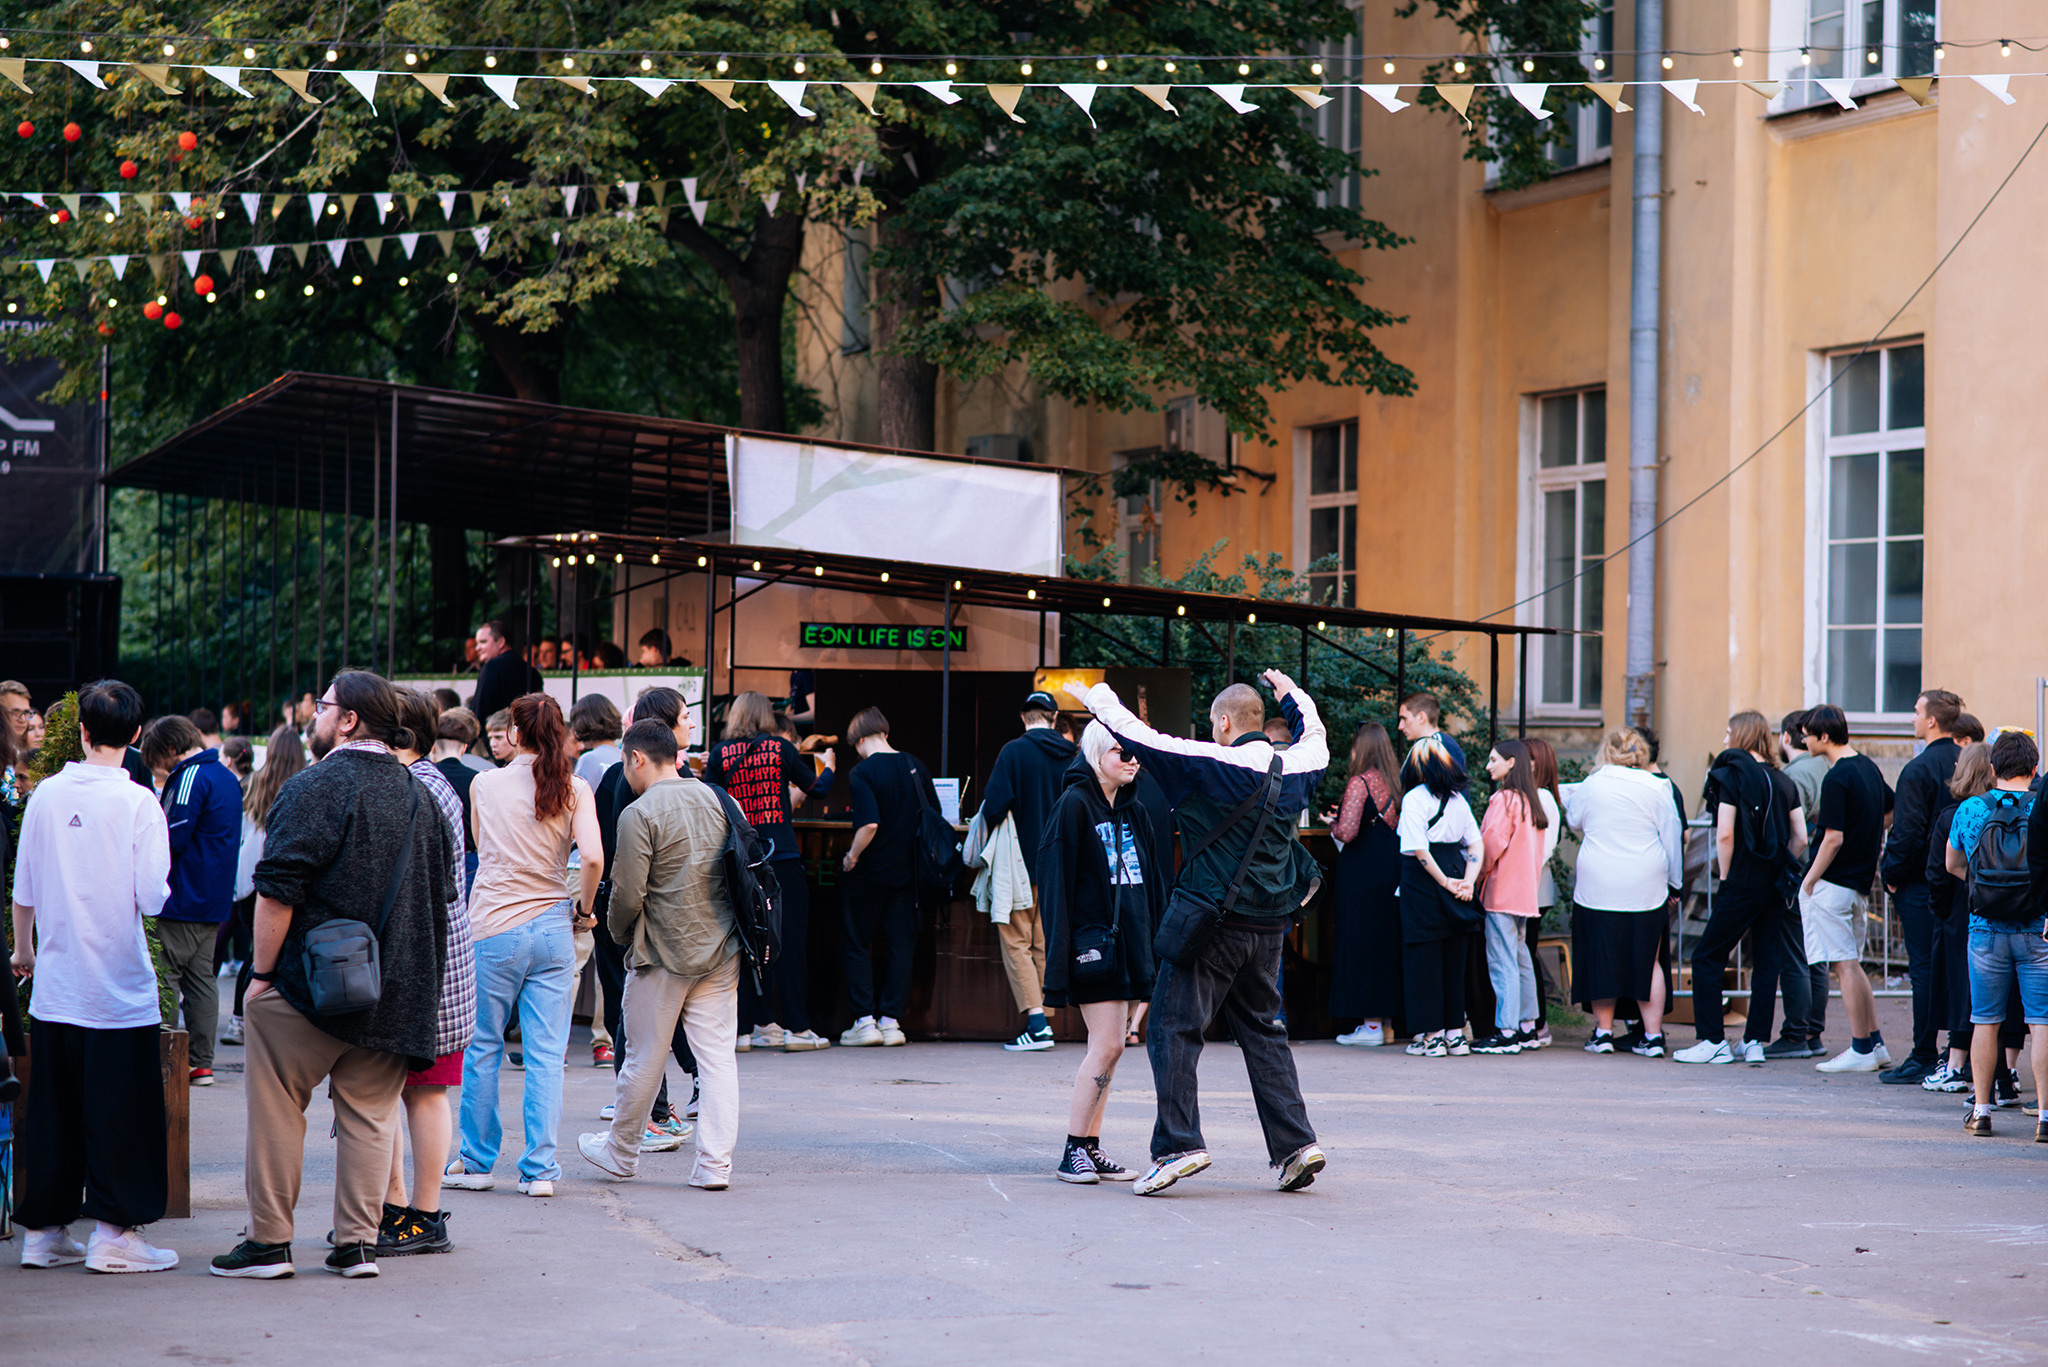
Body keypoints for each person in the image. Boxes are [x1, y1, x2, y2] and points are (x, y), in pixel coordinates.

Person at [212, 670, 454, 1280]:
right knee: (371, 1116)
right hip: (395, 991)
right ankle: (357, 1247)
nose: (314, 716)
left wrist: (260, 976)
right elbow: (442, 897)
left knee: (276, 1108)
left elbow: (276, 890)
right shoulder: (423, 796)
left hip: (309, 986)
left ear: (348, 720)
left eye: (323, 706)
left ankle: (269, 1243)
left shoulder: (314, 786)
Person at [1070, 670, 1327, 1197]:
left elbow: (1140, 736)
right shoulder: (1300, 766)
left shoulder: (1213, 763)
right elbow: (1316, 732)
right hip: (1269, 927)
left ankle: (1178, 1147)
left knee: (1170, 1029)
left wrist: (1093, 696)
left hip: (1212, 924)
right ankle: (1297, 1146)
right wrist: (1291, 694)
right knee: (1264, 1032)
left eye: (1215, 725)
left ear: (1225, 723)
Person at [11, 679, 180, 1274]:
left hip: (57, 983)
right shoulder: (139, 802)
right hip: (119, 987)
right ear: (136, 734)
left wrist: (23, 951)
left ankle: (44, 1233)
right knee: (121, 1111)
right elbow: (153, 898)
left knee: (53, 1111)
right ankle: (113, 1232)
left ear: (81, 730)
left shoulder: (46, 796)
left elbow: (23, 888)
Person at [445, 692, 601, 1199]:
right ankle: (539, 1170)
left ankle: (477, 1161)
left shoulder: (485, 784)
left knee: (483, 1046)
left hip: (492, 927)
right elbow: (594, 859)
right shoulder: (574, 787)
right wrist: (583, 910)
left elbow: (478, 844)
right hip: (555, 926)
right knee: (546, 1052)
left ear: (514, 732)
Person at [578, 718, 743, 1189]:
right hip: (721, 946)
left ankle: (621, 1152)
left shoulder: (638, 812)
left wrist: (613, 931)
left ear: (637, 758)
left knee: (644, 1056)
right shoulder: (716, 798)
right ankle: (714, 1166)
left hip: (662, 951)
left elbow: (626, 894)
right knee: (716, 1060)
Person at [366, 689, 477, 1255]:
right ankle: (416, 1213)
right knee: (427, 1093)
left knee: (396, 1093)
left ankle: (406, 1213)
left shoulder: (410, 789)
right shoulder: (440, 785)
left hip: (416, 961)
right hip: (446, 958)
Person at [1039, 721, 1161, 1183]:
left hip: (1132, 944)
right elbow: (1055, 887)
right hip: (1094, 946)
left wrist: (1154, 952)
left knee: (1111, 1050)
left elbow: (1152, 885)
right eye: (1120, 752)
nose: (1131, 760)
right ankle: (1073, 1149)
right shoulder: (1073, 806)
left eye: (1134, 753)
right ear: (1095, 754)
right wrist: (1060, 959)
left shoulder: (1136, 810)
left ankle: (1088, 1146)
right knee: (1108, 1044)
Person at [591, 688, 699, 1143]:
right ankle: (647, 1114)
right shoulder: (630, 781)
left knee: (643, 1013)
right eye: (686, 717)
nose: (691, 724)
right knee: (635, 1013)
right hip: (634, 911)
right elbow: (619, 856)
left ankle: (646, 1107)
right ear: (664, 728)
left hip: (642, 911)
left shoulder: (648, 776)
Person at [1673, 713, 1807, 1065]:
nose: (1724, 740)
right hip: (1775, 883)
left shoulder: (1733, 775)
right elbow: (1801, 837)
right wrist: (1780, 865)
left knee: (1706, 956)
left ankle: (1712, 1039)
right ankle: (1755, 1042)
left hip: (1742, 879)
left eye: (1728, 732)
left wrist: (1727, 877)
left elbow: (1725, 833)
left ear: (1742, 736)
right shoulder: (1783, 780)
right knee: (1766, 960)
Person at [703, 690, 833, 1052]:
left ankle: (744, 1030)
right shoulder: (780, 749)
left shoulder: (720, 755)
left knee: (744, 942)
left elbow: (709, 801)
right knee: (788, 942)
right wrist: (830, 764)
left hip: (740, 860)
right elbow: (818, 789)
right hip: (782, 858)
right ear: (766, 717)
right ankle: (798, 1028)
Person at [1561, 728, 1683, 1057]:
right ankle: (1653, 1036)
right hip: (1646, 883)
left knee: (1602, 956)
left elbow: (1573, 821)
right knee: (1650, 960)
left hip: (1599, 884)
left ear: (1608, 751)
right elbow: (1672, 836)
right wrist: (1676, 883)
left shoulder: (1593, 783)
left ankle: (1602, 1032)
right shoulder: (1659, 787)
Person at [1948, 729, 2045, 1137]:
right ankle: (2045, 1117)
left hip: (1984, 929)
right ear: (2036, 768)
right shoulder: (2044, 806)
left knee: (1985, 1020)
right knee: (2042, 1022)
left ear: (1991, 769)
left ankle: (1982, 1111)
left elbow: (1951, 864)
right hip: (2039, 929)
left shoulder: (1971, 810)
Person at [139, 713, 243, 1088]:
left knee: (165, 977)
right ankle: (201, 1063)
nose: (160, 771)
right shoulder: (227, 778)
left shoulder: (190, 777)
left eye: (159, 763)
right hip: (214, 900)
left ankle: (166, 1056)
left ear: (171, 749)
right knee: (202, 981)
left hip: (182, 898)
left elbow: (173, 835)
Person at [977, 689, 1081, 1052]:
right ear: (1053, 719)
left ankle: (1037, 1025)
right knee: (1042, 943)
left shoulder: (1013, 751)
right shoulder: (1073, 755)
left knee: (1016, 941)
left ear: (1024, 718)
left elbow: (994, 806)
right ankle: (1046, 1021)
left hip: (1020, 864)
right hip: (1060, 867)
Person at [1796, 704, 1896, 1074]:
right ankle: (1874, 1043)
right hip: (1856, 884)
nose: (1802, 739)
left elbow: (1832, 838)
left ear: (1824, 736)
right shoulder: (1868, 768)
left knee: (1843, 964)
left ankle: (1861, 1048)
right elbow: (1891, 809)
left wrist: (1809, 880)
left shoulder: (1836, 777)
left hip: (1834, 883)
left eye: (1807, 733)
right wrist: (1868, 837)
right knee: (1851, 962)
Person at [1877, 689, 1966, 1085]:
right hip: (1961, 880)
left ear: (1932, 720)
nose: (1911, 719)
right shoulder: (1965, 760)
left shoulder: (1918, 769)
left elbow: (1908, 832)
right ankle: (1954, 1050)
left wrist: (1890, 872)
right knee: (1956, 967)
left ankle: (1924, 1051)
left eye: (1916, 712)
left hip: (1920, 883)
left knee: (1925, 969)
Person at [839, 707, 938, 1047]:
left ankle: (864, 1021)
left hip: (868, 875)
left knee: (856, 943)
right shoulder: (916, 766)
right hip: (907, 874)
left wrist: (852, 857)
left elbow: (869, 824)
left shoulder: (862, 772)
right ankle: (892, 1021)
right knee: (901, 947)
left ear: (861, 739)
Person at [1396, 735, 1484, 1058]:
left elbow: (1419, 849)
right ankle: (1454, 1033)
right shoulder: (1459, 800)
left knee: (1424, 959)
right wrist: (1467, 882)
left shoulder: (1414, 799)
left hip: (1424, 883)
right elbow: (1475, 843)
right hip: (1457, 876)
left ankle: (1431, 1034)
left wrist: (1447, 882)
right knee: (1453, 959)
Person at [223, 727, 308, 1050]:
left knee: (257, 952)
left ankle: (239, 1019)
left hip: (254, 871)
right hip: (290, 872)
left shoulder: (253, 782)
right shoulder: (304, 781)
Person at [1758, 709, 1834, 1058]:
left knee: (1794, 954)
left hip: (1802, 872)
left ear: (1787, 738)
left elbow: (1796, 833)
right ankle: (1813, 1033)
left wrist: (1789, 871)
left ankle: (1795, 1034)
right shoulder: (1826, 767)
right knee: (1816, 956)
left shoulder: (1793, 774)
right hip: (1826, 871)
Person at [1326, 722, 1403, 1047]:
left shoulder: (1360, 782)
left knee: (1361, 941)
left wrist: (1332, 823)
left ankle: (1369, 1026)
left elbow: (1347, 832)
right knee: (1384, 942)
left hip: (1362, 874)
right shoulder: (1393, 782)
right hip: (1389, 870)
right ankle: (1385, 1025)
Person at [1923, 717, 1988, 1094]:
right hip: (2006, 909)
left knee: (1962, 989)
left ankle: (1957, 1064)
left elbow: (1943, 868)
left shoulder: (1955, 815)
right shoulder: (2009, 809)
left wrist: (1942, 907)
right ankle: (2003, 1075)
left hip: (1960, 911)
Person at [1473, 740, 1547, 1055]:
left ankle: (1506, 1030)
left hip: (1501, 891)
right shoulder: (1532, 801)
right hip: (1525, 893)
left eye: (1493, 760)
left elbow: (1490, 845)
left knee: (1502, 961)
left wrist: (1475, 874)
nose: (1488, 766)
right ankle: (1528, 1027)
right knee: (1520, 958)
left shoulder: (1503, 800)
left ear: (1511, 763)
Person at [567, 694, 625, 1064]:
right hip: (615, 865)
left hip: (581, 866)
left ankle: (552, 1041)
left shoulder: (588, 760)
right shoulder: (624, 755)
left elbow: (575, 813)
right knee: (607, 962)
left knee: (572, 959)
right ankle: (605, 1041)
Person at [1523, 737, 1566, 1049]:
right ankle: (1535, 1021)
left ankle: (1537, 1023)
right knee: (1525, 951)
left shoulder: (1543, 798)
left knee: (1526, 952)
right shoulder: (1535, 795)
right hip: (1530, 886)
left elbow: (1544, 848)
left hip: (1533, 887)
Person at [472, 620, 545, 728]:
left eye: (483, 642)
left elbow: (480, 710)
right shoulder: (532, 672)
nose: (477, 648)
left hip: (496, 735)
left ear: (501, 642)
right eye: (477, 643)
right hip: (525, 738)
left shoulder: (491, 667)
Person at [1396, 691, 1466, 772]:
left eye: (1404, 719)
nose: (1400, 726)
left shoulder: (1437, 747)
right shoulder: (1436, 744)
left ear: (1421, 717)